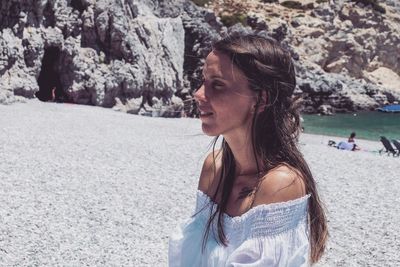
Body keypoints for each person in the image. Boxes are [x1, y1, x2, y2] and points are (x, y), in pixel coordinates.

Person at [169, 33, 328, 266]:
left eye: (218, 85)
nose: (199, 94)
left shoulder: (280, 184)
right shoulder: (214, 167)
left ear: (260, 99)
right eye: (203, 81)